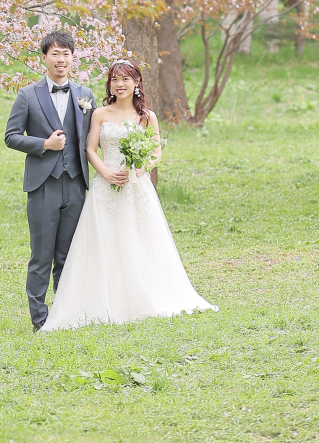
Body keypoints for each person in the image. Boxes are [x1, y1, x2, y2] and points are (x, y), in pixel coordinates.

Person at [41, 58, 217, 331]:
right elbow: (89, 150)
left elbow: (156, 151)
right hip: (105, 185)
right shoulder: (100, 113)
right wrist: (107, 174)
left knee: (140, 238)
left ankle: (143, 294)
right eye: (115, 79)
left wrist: (138, 170)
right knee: (105, 241)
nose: (119, 84)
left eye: (125, 79)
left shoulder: (147, 116)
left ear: (136, 83)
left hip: (136, 185)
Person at [4, 30, 97, 331]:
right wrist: (43, 144)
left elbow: (95, 139)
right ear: (43, 58)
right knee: (42, 255)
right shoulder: (27, 95)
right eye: (54, 54)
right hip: (43, 184)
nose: (61, 59)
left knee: (69, 254)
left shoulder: (85, 95)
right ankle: (40, 320)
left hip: (75, 183)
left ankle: (64, 314)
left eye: (66, 53)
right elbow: (11, 136)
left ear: (73, 58)